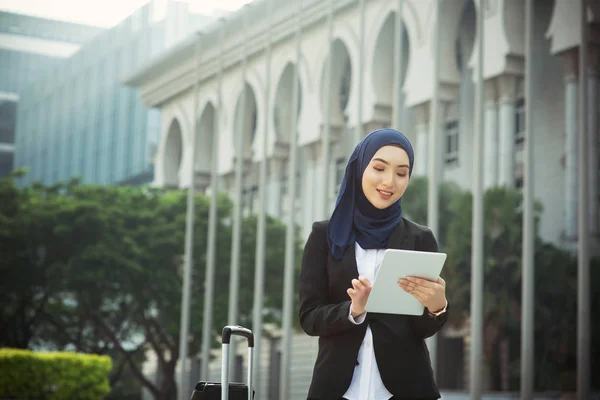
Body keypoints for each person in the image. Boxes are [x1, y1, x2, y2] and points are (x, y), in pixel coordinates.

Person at [298, 128, 448, 400]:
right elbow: (309, 317)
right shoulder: (324, 235)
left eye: (401, 173)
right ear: (359, 169)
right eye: (379, 168)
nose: (389, 181)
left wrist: (436, 307)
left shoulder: (420, 238)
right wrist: (353, 310)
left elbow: (422, 329)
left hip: (405, 390)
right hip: (337, 389)